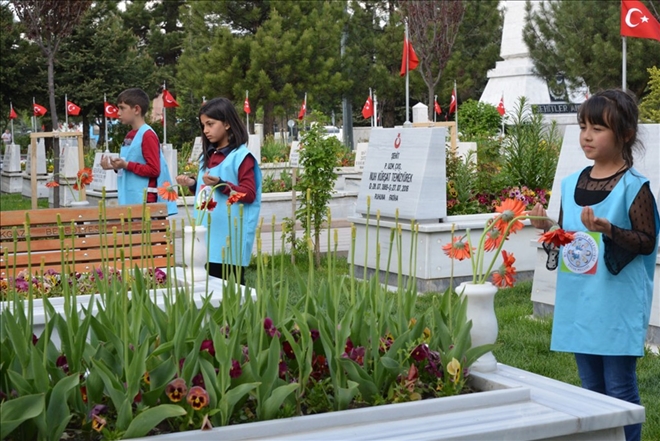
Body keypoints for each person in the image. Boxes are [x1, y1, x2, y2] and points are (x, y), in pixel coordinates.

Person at [530, 89, 659, 441]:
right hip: (579, 302)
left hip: (615, 304)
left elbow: (647, 241)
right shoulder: (572, 183)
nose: (587, 135)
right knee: (589, 388)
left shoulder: (635, 188)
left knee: (619, 387)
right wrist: (547, 229)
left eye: (598, 128)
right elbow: (568, 236)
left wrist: (611, 230)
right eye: (583, 126)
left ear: (626, 135)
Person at [176, 97, 262, 285]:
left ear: (228, 124)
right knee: (205, 287)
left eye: (210, 124)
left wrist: (223, 185)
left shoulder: (241, 157)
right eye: (203, 125)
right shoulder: (207, 158)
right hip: (205, 237)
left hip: (229, 239)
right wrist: (192, 183)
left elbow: (249, 194)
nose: (206, 130)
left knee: (229, 290)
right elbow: (206, 195)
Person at [101, 88, 177, 216]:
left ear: (136, 109)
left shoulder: (147, 135)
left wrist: (125, 165)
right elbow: (133, 163)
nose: (118, 113)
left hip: (145, 202)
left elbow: (154, 170)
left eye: (122, 108)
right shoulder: (130, 135)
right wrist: (115, 167)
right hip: (131, 200)